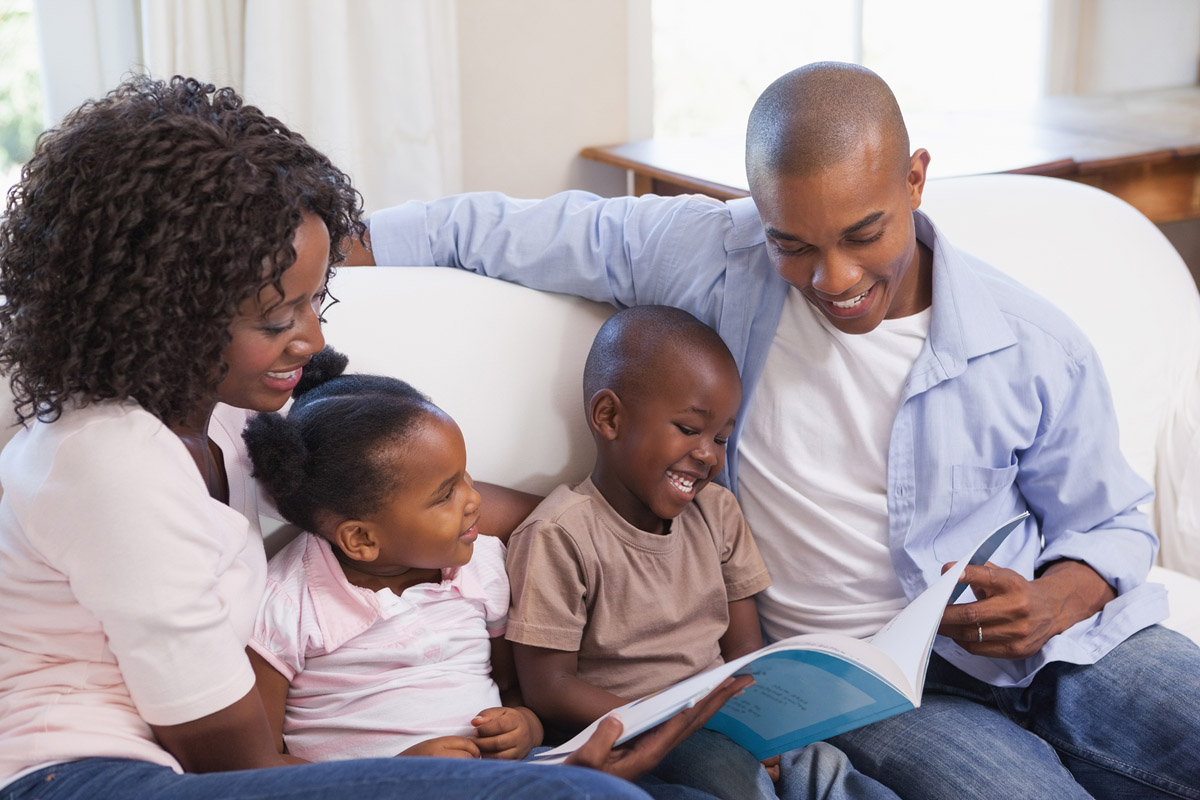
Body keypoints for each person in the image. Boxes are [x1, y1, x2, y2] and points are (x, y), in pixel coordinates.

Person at [348, 62, 1200, 799]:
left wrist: (1057, 596)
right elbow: (515, 230)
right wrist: (335, 247)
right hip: (871, 689)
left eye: (864, 235)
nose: (833, 279)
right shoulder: (718, 257)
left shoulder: (1030, 342)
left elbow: (1111, 520)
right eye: (793, 243)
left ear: (915, 179)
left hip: (1061, 643)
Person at [0, 74, 750, 800]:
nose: (310, 338)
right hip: (81, 774)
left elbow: (403, 493)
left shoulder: (217, 410)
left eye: (311, 303)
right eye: (276, 320)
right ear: (165, 315)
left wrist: (601, 528)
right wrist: (514, 778)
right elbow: (235, 766)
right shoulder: (110, 467)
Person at [507, 304, 898, 800]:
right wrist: (676, 720)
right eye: (689, 430)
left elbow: (743, 651)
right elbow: (549, 689)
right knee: (726, 778)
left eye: (721, 438)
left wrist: (765, 728)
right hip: (638, 733)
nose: (709, 454)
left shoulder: (716, 511)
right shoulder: (559, 534)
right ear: (609, 417)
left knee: (824, 766)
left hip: (724, 719)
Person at [243, 348, 542, 762]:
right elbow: (257, 761)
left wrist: (526, 726)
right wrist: (398, 776)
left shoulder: (480, 565)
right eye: (446, 494)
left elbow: (511, 689)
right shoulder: (284, 605)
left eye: (465, 476)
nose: (474, 499)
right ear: (362, 539)